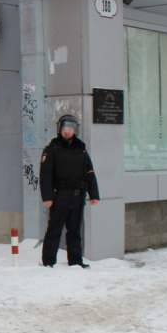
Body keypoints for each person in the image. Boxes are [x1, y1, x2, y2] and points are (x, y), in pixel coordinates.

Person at [39, 114, 100, 268]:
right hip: (59, 196)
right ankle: (48, 261)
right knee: (54, 230)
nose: (67, 132)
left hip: (77, 198)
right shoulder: (52, 149)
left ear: (75, 130)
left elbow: (89, 172)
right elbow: (45, 175)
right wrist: (47, 197)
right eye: (65, 129)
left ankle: (75, 261)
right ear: (60, 129)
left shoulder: (81, 149)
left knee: (75, 232)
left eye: (70, 129)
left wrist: (94, 194)